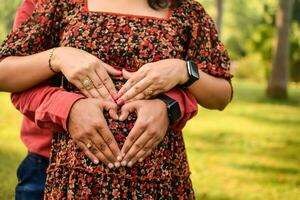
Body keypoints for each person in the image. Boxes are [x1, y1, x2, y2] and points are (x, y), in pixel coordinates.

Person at [0, 0, 233, 198]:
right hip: (67, 175)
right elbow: (6, 74)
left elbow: (221, 94)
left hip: (158, 179)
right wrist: (60, 62)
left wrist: (184, 71)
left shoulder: (187, 11)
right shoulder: (58, 3)